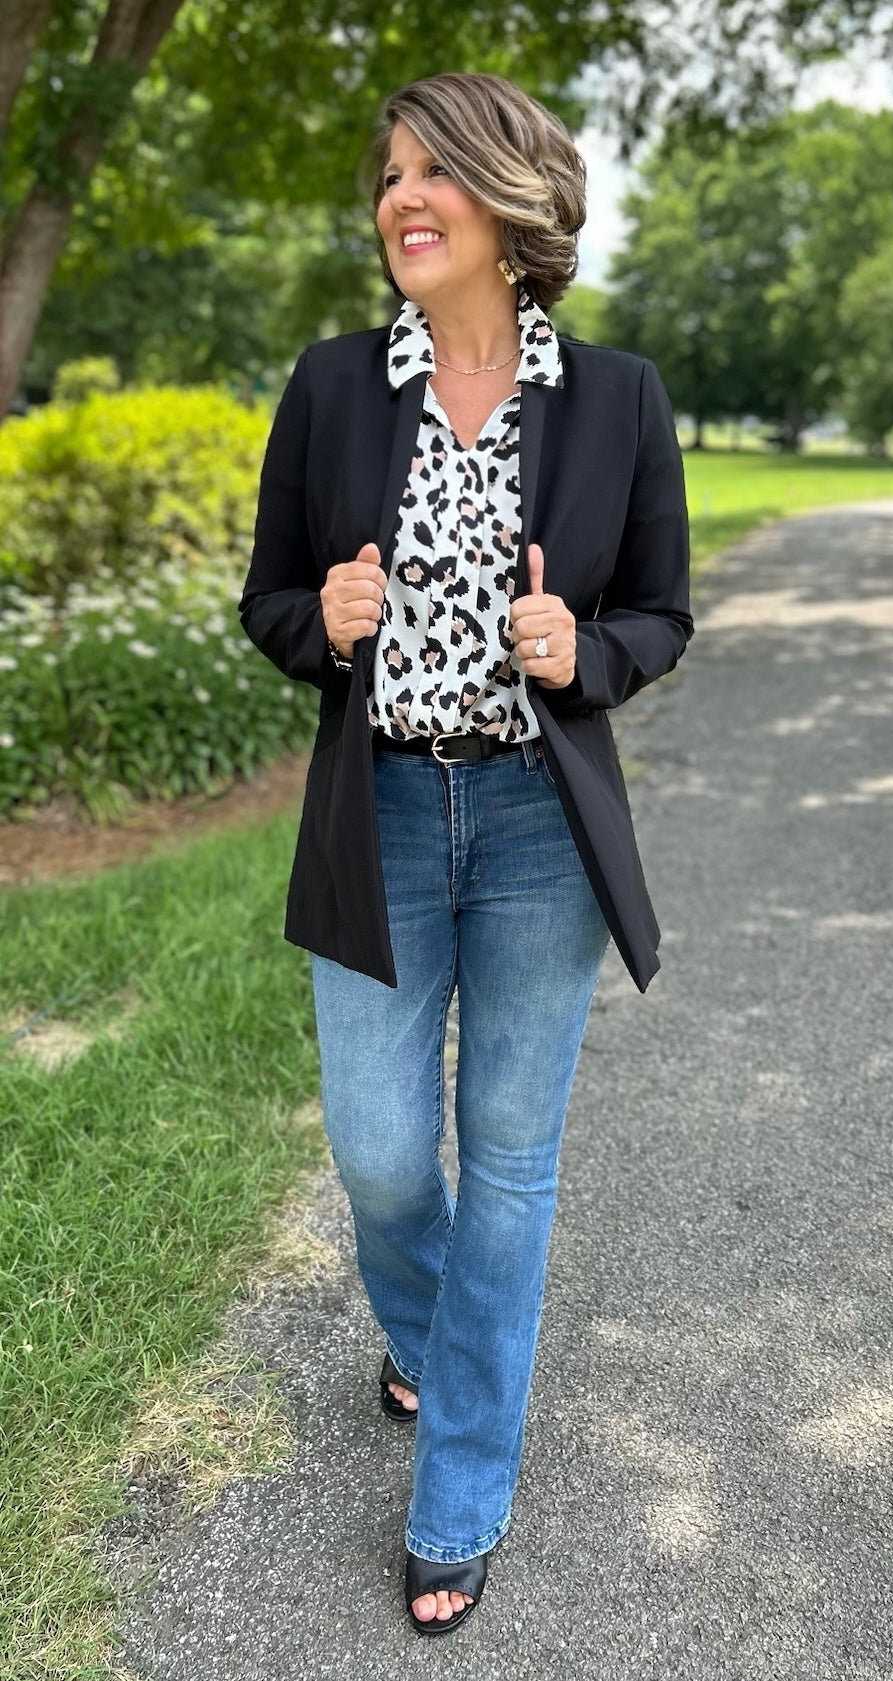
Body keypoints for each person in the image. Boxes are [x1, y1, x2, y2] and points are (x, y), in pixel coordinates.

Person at [239, 70, 692, 1637]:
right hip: (375, 809)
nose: (401, 197)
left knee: (506, 1159)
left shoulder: (618, 397)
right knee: (375, 1150)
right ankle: (441, 1330)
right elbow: (271, 602)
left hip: (531, 825)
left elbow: (660, 614)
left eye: (435, 171)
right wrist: (327, 621)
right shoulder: (330, 385)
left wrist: (585, 649)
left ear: (512, 202)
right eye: (388, 176)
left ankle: (460, 1487)